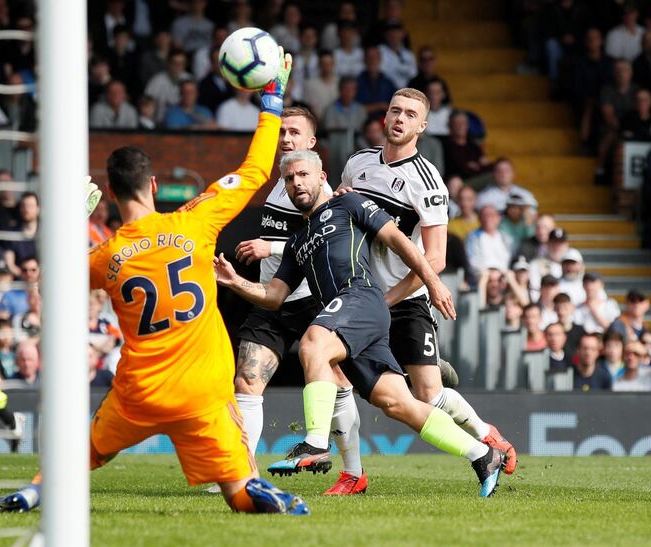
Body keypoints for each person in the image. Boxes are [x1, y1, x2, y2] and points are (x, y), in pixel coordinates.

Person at [0, 50, 310, 516]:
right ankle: (253, 492)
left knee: (83, 454)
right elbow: (256, 171)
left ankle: (34, 492)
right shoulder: (197, 222)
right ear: (154, 185)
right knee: (237, 490)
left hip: (139, 391)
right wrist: (272, 99)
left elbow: (50, 283)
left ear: (110, 195)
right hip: (201, 388)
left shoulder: (107, 255)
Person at [215, 149, 506, 498]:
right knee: (398, 403)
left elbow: (397, 240)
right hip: (350, 317)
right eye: (290, 180)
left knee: (312, 343)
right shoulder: (296, 243)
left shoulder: (348, 205)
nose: (296, 183)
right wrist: (235, 282)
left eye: (303, 175)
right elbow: (275, 296)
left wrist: (432, 280)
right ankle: (483, 455)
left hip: (362, 297)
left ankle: (315, 444)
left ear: (322, 177)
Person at [339, 88, 517, 475]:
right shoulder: (358, 163)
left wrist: (385, 300)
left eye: (410, 114)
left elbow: (435, 257)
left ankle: (487, 434)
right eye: (394, 111)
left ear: (422, 126)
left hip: (404, 299)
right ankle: (350, 472)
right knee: (334, 372)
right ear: (384, 118)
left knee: (429, 395)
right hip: (359, 295)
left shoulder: (428, 181)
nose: (399, 119)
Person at [230, 106, 362, 495]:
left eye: (293, 133)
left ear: (311, 142)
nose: (285, 138)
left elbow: (329, 234)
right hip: (271, 300)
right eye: (281, 132)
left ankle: (353, 471)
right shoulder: (281, 181)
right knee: (247, 381)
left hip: (309, 300)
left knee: (339, 384)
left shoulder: (319, 190)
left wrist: (267, 245)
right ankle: (244, 474)